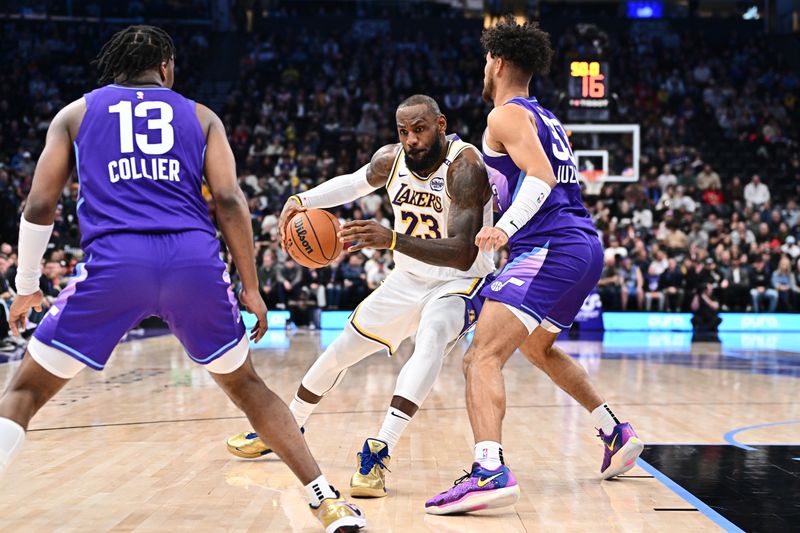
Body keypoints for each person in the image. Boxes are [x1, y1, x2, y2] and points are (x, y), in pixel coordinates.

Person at [0, 26, 365, 533]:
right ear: (166, 68)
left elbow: (40, 204)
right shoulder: (201, 116)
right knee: (246, 386)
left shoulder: (75, 114)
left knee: (23, 392)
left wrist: (25, 285)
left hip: (116, 263)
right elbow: (231, 201)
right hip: (193, 261)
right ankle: (325, 499)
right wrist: (252, 287)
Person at [226, 95, 496, 500]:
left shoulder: (465, 167)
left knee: (433, 337)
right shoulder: (391, 160)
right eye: (403, 131)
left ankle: (379, 448)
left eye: (420, 129)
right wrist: (302, 200)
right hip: (407, 278)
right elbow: (353, 183)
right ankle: (287, 425)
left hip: (459, 282)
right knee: (340, 351)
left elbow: (463, 252)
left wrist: (390, 239)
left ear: (441, 125)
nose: (411, 140)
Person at [425, 18, 642, 515]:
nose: (484, 68)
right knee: (538, 348)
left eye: (485, 61)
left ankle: (488, 471)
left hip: (551, 246)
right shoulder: (545, 117)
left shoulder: (505, 116)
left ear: (497, 63)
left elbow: (540, 177)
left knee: (480, 357)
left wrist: (506, 227)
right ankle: (614, 429)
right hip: (581, 245)